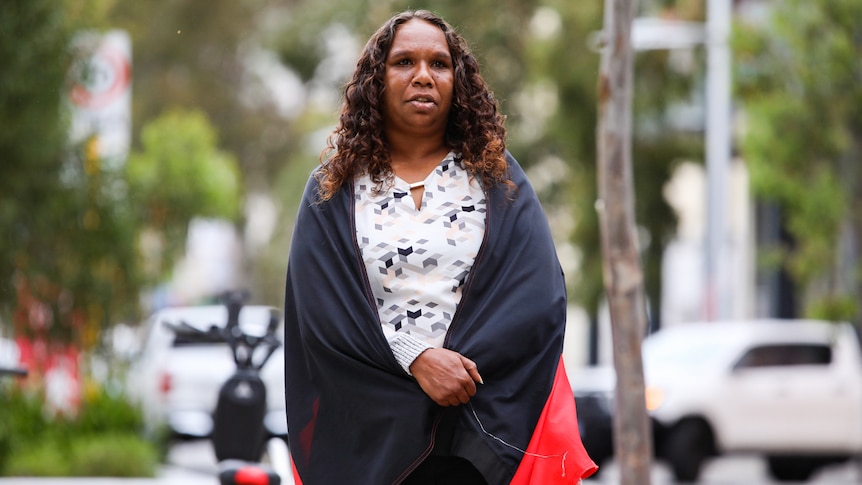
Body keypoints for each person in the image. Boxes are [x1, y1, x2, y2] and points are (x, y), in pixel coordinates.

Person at [283, 9, 597, 485]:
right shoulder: (334, 188)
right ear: (376, 80)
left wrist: (457, 370)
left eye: (439, 64)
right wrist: (415, 358)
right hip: (368, 441)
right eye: (404, 62)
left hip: (474, 440)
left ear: (459, 81)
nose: (423, 76)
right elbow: (320, 312)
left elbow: (538, 296)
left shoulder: (498, 181)